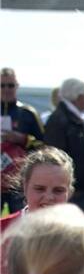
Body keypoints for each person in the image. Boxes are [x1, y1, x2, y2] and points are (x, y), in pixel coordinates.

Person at [1, 148, 75, 274]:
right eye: (40, 189)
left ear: (69, 192)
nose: (48, 197)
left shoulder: (81, 238)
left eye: (58, 190)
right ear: (25, 186)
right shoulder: (3, 230)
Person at [43, 78, 84, 220]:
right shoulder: (59, 120)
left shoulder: (78, 119)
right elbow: (55, 157)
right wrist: (66, 186)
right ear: (79, 97)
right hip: (74, 192)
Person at [1, 68, 45, 214]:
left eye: (10, 85)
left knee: (22, 224)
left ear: (17, 86)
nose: (6, 89)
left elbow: (44, 145)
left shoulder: (28, 113)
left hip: (19, 180)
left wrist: (22, 139)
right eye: (2, 85)